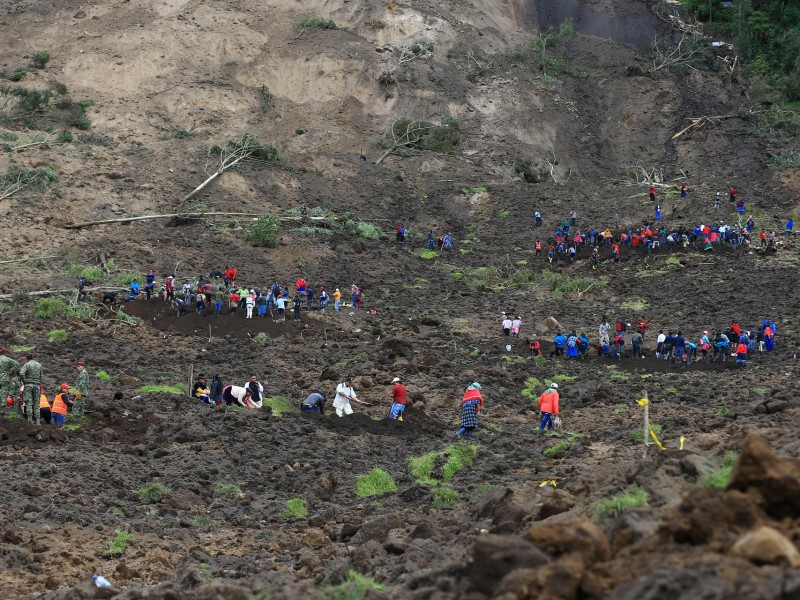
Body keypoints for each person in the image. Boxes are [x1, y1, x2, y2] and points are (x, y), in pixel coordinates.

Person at [19, 353, 43, 425]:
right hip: (37, 385)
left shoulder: (27, 365)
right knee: (36, 403)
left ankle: (30, 419)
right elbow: (41, 376)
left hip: (28, 385)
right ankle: (38, 420)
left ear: (26, 358)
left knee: (28, 402)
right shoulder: (39, 365)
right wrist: (39, 383)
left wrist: (24, 381)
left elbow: (21, 373)